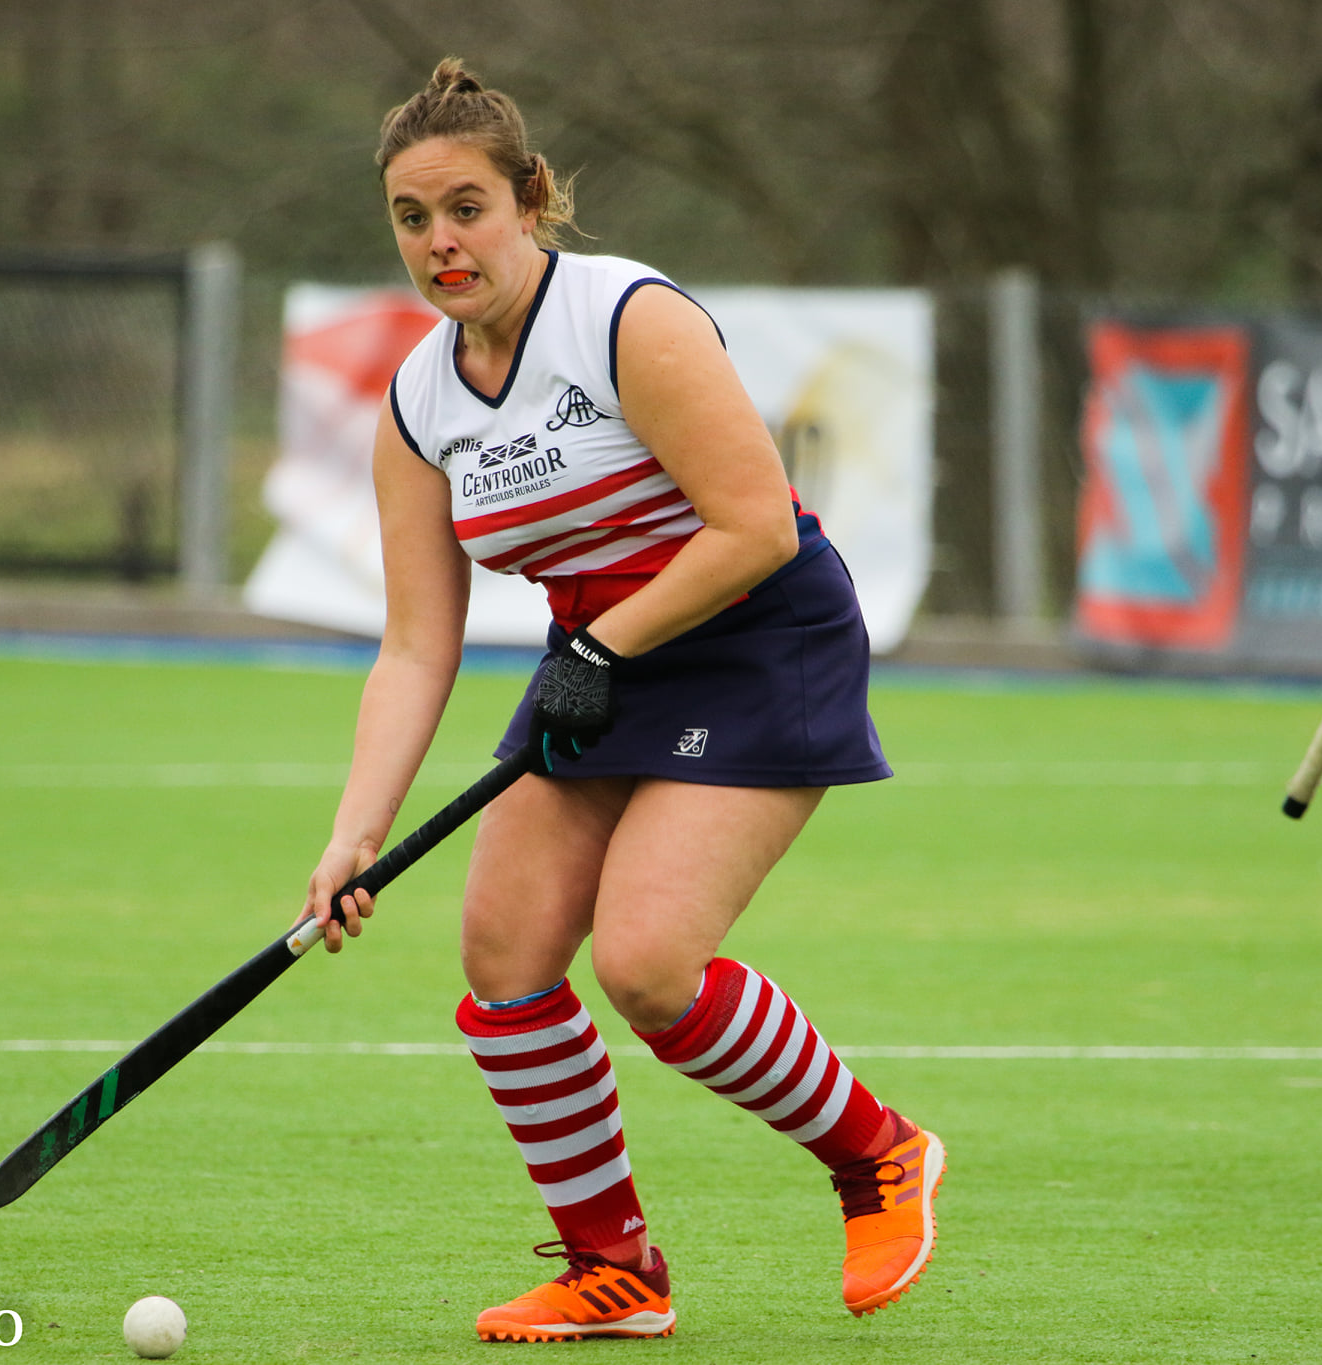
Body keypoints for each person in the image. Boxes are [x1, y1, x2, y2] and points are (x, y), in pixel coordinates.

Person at [298, 59, 944, 1342]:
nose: (441, 243)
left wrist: (600, 652)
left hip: (757, 639)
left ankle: (879, 1157)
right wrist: (353, 831)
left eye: (466, 208)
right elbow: (416, 645)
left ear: (528, 198)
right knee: (505, 965)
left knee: (648, 967)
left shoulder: (624, 321)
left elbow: (754, 526)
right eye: (412, 219)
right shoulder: (419, 402)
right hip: (599, 657)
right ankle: (615, 1271)